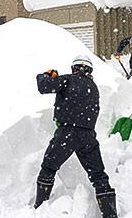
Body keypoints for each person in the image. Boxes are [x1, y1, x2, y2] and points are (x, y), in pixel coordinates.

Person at [34, 55, 118, 218]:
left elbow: (43, 86)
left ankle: (39, 208)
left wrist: (47, 75)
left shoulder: (67, 80)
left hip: (67, 133)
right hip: (88, 136)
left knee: (48, 168)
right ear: (90, 71)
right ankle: (110, 214)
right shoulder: (93, 87)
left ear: (73, 69)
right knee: (99, 176)